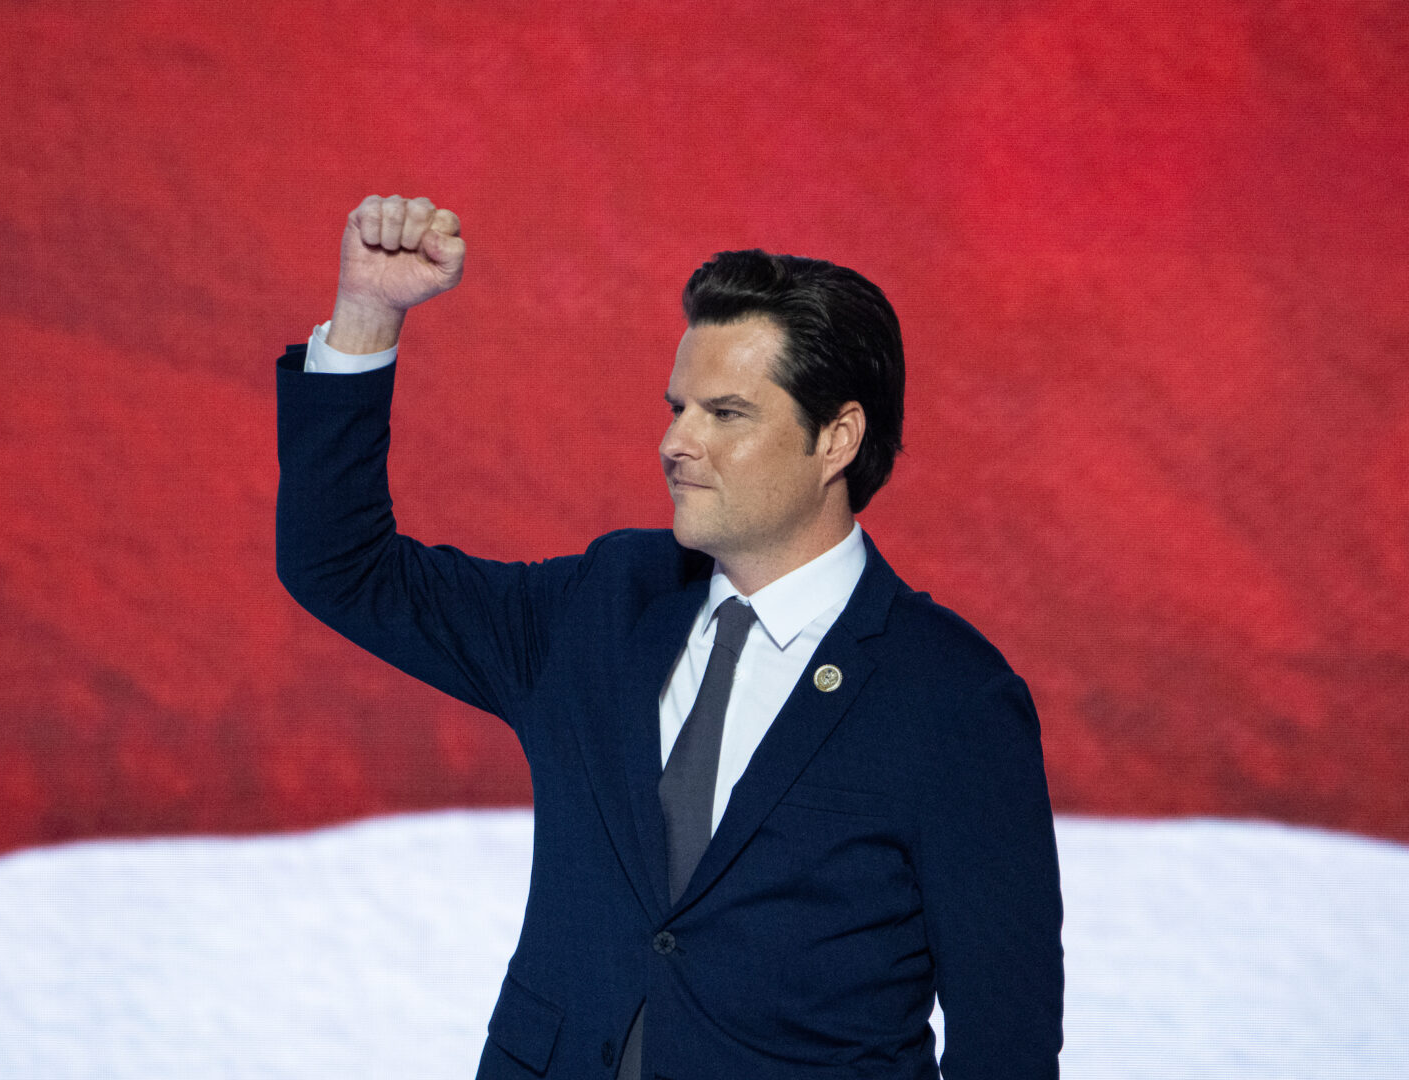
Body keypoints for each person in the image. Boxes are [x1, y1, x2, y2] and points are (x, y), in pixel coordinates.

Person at [276, 194, 1064, 1080]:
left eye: (725, 414)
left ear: (837, 438)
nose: (674, 442)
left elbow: (1009, 1043)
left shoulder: (952, 696)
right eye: (678, 407)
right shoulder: (602, 606)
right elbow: (341, 567)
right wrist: (366, 315)